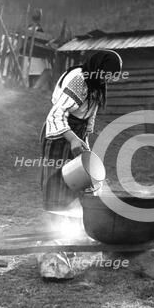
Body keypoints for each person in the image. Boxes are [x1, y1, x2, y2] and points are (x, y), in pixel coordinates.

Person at [39, 49, 122, 211]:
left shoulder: (97, 82)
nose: (109, 79)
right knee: (58, 178)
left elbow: (89, 116)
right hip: (60, 133)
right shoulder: (80, 80)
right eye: (108, 75)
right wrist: (72, 139)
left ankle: (73, 221)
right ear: (99, 68)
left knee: (81, 177)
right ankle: (54, 221)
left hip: (78, 132)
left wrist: (84, 142)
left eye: (113, 76)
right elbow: (55, 115)